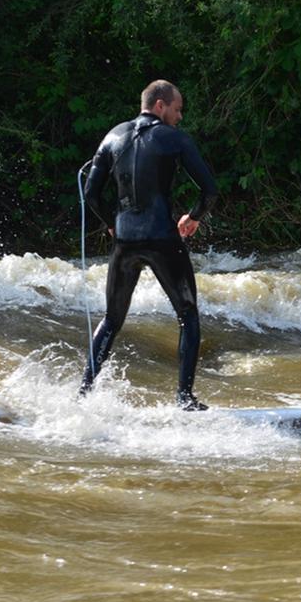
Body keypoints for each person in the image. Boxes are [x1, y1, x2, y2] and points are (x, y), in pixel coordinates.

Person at [80, 79, 219, 410]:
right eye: (177, 109)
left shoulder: (113, 136)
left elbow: (90, 193)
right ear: (160, 105)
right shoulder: (174, 139)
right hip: (161, 238)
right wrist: (194, 217)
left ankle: (84, 393)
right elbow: (210, 190)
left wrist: (112, 225)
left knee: (112, 320)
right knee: (187, 315)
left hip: (125, 241)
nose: (180, 116)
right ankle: (184, 399)